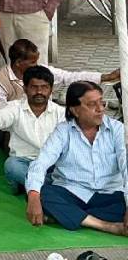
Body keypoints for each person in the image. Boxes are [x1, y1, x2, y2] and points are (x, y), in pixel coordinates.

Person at [26, 81, 128, 235]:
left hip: (110, 194)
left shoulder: (117, 129)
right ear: (75, 110)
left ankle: (71, 216)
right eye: (92, 104)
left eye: (102, 102)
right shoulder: (63, 131)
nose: (100, 109)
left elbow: (125, 165)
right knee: (43, 194)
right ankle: (106, 225)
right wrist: (33, 195)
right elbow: (41, 162)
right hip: (74, 192)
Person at [0, 65, 62, 193]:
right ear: (25, 88)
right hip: (23, 162)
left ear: (51, 90)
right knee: (11, 165)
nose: (39, 92)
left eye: (44, 87)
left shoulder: (60, 113)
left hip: (51, 163)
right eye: (34, 87)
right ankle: (49, 189)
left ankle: (31, 186)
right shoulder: (14, 108)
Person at [0, 39, 115, 106]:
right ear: (18, 62)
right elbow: (1, 113)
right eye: (32, 62)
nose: (36, 65)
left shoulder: (41, 71)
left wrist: (106, 77)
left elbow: (69, 77)